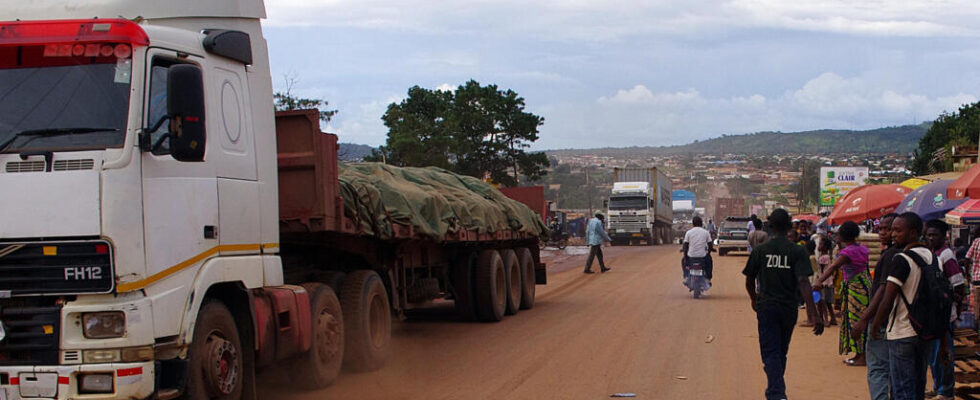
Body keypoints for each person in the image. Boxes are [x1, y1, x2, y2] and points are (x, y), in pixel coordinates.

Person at [743, 208, 823, 400]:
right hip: (788, 308)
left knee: (770, 352)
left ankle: (776, 393)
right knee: (781, 350)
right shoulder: (797, 251)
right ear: (789, 227)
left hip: (767, 308)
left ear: (770, 226)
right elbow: (804, 282)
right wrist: (813, 315)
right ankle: (776, 391)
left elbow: (749, 279)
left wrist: (754, 299)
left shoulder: (760, 251)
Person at [870, 212, 943, 400]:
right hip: (925, 331)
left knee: (902, 389)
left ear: (913, 233)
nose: (893, 234)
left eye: (897, 230)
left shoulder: (902, 259)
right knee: (918, 387)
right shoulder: (934, 259)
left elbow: (888, 298)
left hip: (902, 331)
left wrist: (876, 325)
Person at [850, 213, 897, 400]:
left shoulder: (890, 256)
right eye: (881, 229)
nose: (883, 233)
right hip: (898, 323)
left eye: (889, 229)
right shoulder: (910, 253)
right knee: (894, 369)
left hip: (883, 320)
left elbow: (882, 291)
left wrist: (866, 321)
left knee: (878, 369)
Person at [814, 221, 870, 366]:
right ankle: (859, 354)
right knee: (858, 320)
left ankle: (862, 356)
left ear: (843, 236)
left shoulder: (847, 253)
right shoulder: (862, 249)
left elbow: (833, 267)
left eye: (838, 234)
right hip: (863, 288)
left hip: (855, 290)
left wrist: (818, 282)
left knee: (855, 321)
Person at [925, 219, 966, 400]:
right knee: (934, 356)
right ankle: (938, 386)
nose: (931, 238)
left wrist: (953, 307)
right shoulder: (933, 254)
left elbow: (958, 284)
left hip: (944, 315)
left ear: (944, 236)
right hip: (933, 314)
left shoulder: (946, 255)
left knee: (943, 353)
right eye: (929, 235)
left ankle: (946, 391)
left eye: (935, 235)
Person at [683, 216, 714, 281]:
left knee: (683, 261)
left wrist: (685, 258)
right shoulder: (706, 232)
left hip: (691, 257)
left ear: (693, 224)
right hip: (702, 257)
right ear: (701, 223)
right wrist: (708, 253)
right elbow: (710, 245)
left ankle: (686, 276)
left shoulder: (688, 232)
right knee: (710, 261)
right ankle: (708, 278)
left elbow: (685, 246)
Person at [816, 236, 838, 327]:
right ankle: (833, 318)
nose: (819, 245)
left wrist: (819, 281)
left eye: (821, 244)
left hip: (824, 282)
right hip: (829, 281)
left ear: (825, 247)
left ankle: (825, 319)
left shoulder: (822, 258)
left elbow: (821, 271)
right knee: (828, 302)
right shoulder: (828, 256)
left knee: (823, 301)